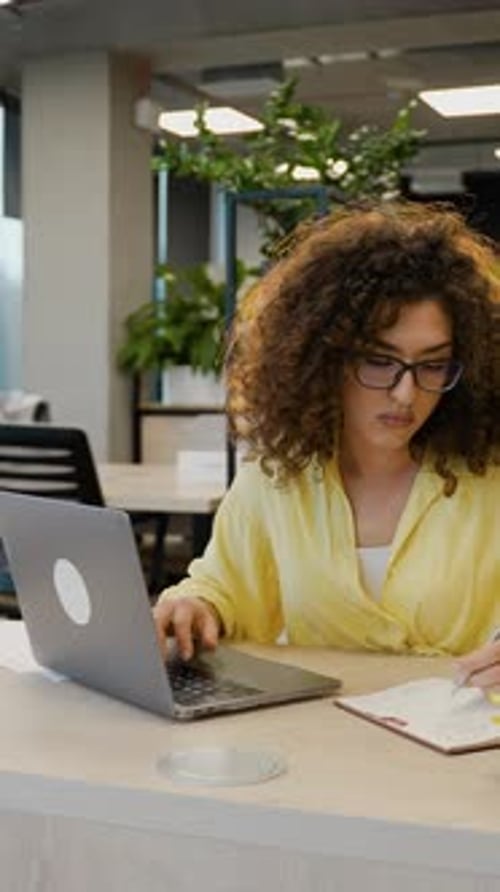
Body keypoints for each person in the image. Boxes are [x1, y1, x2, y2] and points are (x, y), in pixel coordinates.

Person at [153, 201, 499, 691]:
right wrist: (195, 606)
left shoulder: (489, 475)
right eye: (380, 361)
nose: (406, 393)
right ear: (323, 359)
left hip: (462, 744)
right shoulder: (279, 477)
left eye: (433, 364)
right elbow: (225, 587)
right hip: (322, 742)